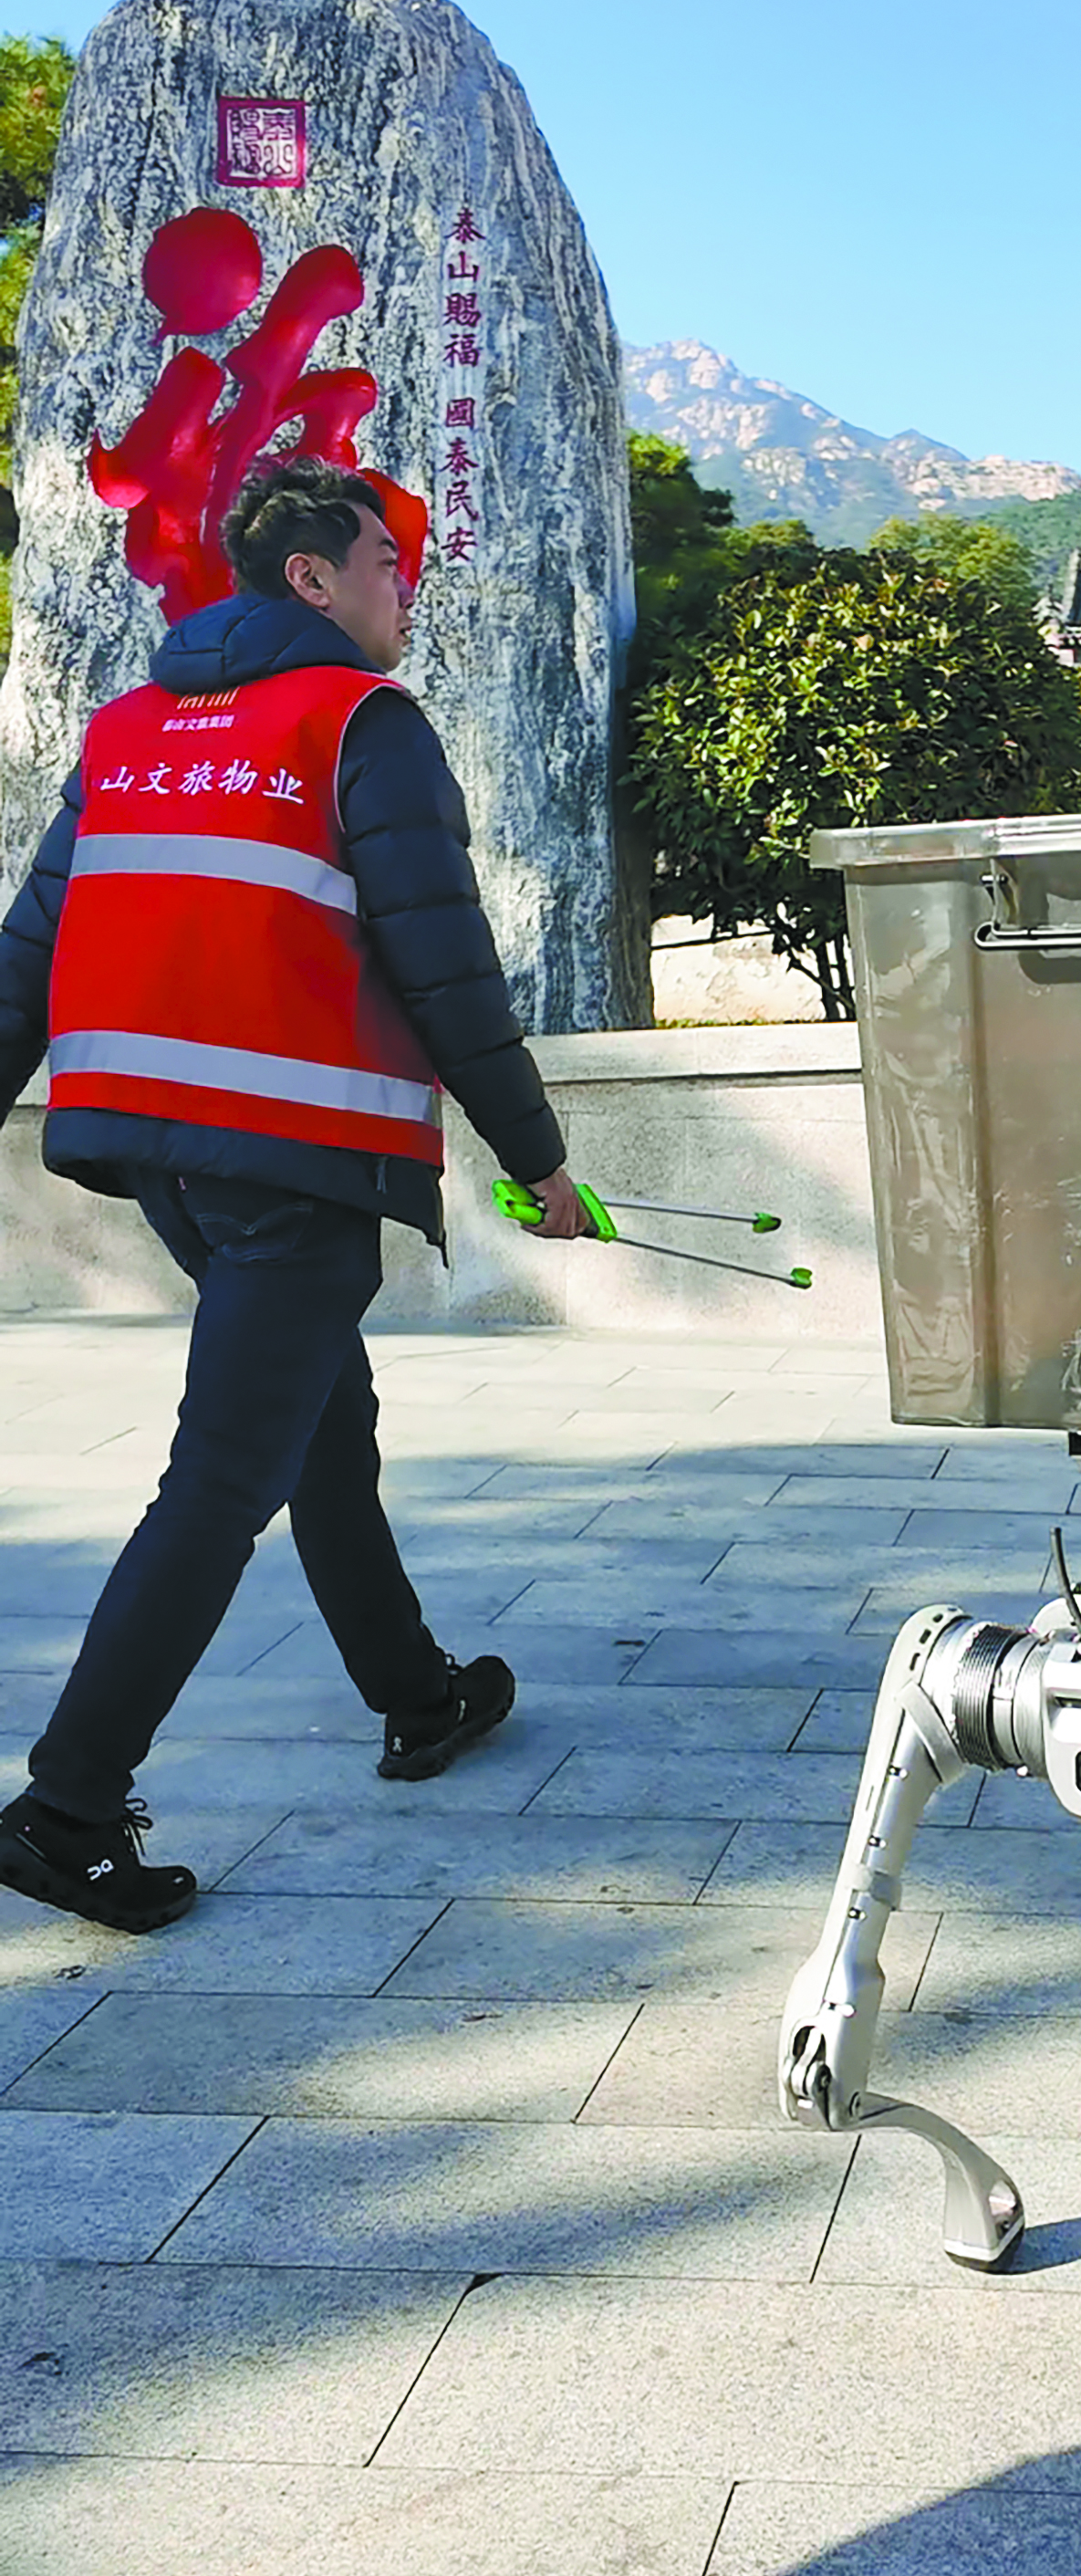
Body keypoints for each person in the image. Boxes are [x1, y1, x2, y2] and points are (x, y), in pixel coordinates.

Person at [0, 457, 596, 1933]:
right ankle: (67, 1811)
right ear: (313, 578)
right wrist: (538, 1157)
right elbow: (443, 961)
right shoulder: (364, 725)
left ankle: (418, 1692)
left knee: (325, 1425)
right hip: (291, 1162)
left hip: (158, 1155)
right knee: (222, 1479)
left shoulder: (133, 728)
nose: (409, 585)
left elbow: (28, 946)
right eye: (388, 560)